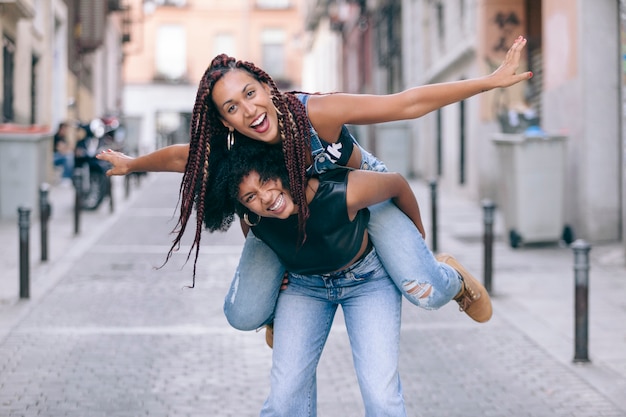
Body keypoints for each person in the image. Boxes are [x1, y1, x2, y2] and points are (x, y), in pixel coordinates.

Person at [97, 36, 531, 331]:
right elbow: (181, 157)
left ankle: (452, 277)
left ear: (266, 86)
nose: (247, 111)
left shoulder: (314, 114)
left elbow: (407, 103)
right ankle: (279, 311)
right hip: (294, 213)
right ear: (223, 119)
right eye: (231, 107)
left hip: (364, 193)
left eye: (250, 93)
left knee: (425, 291)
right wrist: (132, 164)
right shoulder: (235, 149)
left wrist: (488, 82)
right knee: (246, 311)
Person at [213, 138, 427, 416]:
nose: (264, 197)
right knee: (283, 404)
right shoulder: (254, 217)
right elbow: (258, 235)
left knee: (382, 400)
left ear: (282, 170)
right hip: (304, 287)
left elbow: (397, 183)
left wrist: (417, 238)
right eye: (250, 197)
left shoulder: (341, 191)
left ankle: (451, 278)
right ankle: (277, 321)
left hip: (368, 281)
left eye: (266, 180)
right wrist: (273, 279)